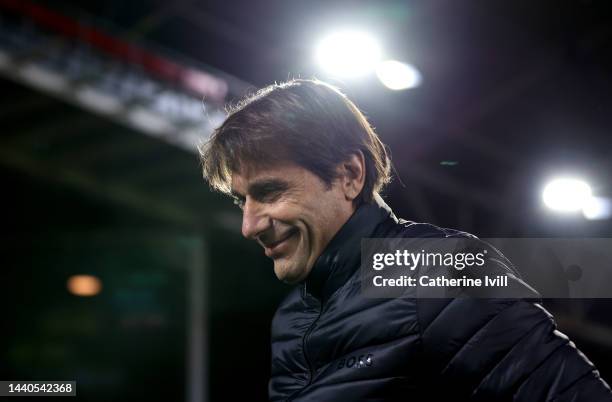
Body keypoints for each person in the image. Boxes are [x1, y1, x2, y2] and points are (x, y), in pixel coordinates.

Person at [199, 79, 612, 401]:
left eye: (270, 193)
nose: (249, 225)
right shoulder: (291, 319)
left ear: (349, 175)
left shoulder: (436, 268)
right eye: (242, 201)